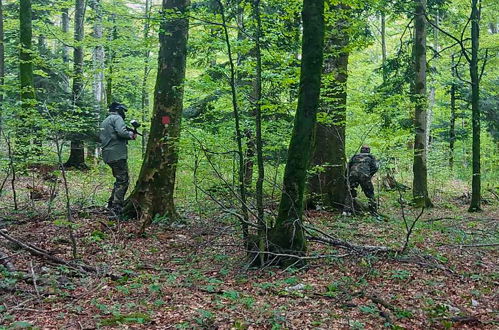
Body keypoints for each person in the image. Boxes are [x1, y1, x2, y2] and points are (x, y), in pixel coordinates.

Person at [100, 102, 137, 215]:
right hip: (117, 154)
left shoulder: (106, 120)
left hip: (107, 154)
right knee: (123, 180)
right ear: (118, 110)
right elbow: (121, 132)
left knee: (119, 179)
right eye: (123, 111)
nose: (123, 113)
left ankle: (111, 203)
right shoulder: (117, 118)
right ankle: (117, 207)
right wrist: (130, 135)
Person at [343, 145, 379, 215]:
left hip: (353, 175)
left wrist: (346, 177)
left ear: (361, 150)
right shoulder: (371, 157)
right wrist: (369, 174)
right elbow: (375, 167)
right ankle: (373, 212)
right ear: (369, 150)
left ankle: (346, 211)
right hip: (365, 176)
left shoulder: (355, 156)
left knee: (350, 192)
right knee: (370, 193)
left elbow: (348, 167)